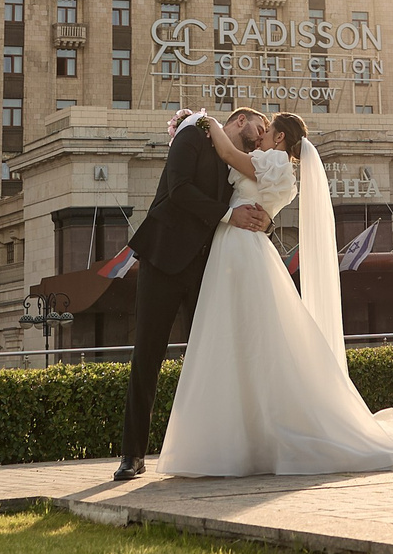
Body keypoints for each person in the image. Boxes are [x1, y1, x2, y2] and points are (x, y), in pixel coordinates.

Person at [153, 110, 393, 477]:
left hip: (240, 249)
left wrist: (202, 120)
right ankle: (247, 437)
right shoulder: (282, 172)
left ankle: (246, 440)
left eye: (267, 131)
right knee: (249, 341)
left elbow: (229, 155)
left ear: (280, 138)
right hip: (239, 248)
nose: (261, 136)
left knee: (241, 337)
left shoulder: (273, 161)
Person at [115, 106, 274, 481]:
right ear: (239, 120)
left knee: (211, 359)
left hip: (208, 268)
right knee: (147, 356)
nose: (262, 133)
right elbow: (179, 189)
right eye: (260, 125)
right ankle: (132, 455)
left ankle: (210, 452)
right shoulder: (191, 134)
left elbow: (253, 202)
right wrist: (228, 215)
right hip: (163, 260)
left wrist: (265, 221)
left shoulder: (240, 164)